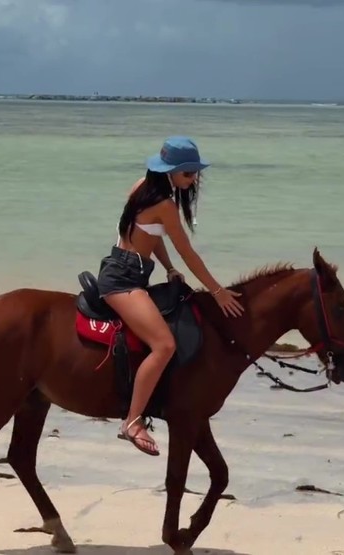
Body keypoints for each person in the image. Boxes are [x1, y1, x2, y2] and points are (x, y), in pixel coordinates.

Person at [95, 136, 245, 456]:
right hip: (122, 280)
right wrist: (217, 292)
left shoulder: (143, 188)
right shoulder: (165, 204)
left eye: (196, 173)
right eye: (189, 174)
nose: (194, 179)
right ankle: (132, 421)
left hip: (130, 270)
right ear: (171, 172)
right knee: (164, 345)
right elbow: (188, 252)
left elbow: (148, 235)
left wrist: (167, 268)